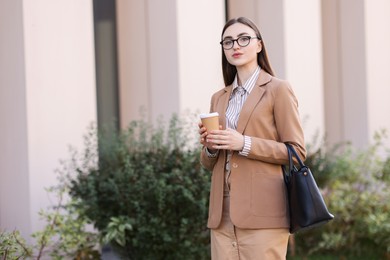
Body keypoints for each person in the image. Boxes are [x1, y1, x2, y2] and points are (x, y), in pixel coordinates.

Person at [198, 17, 306, 259]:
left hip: (263, 213)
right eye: (228, 41)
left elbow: (296, 153)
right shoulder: (219, 97)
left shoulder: (278, 89)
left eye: (243, 39)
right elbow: (207, 163)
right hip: (222, 215)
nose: (235, 46)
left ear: (258, 45)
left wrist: (244, 144)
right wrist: (211, 147)